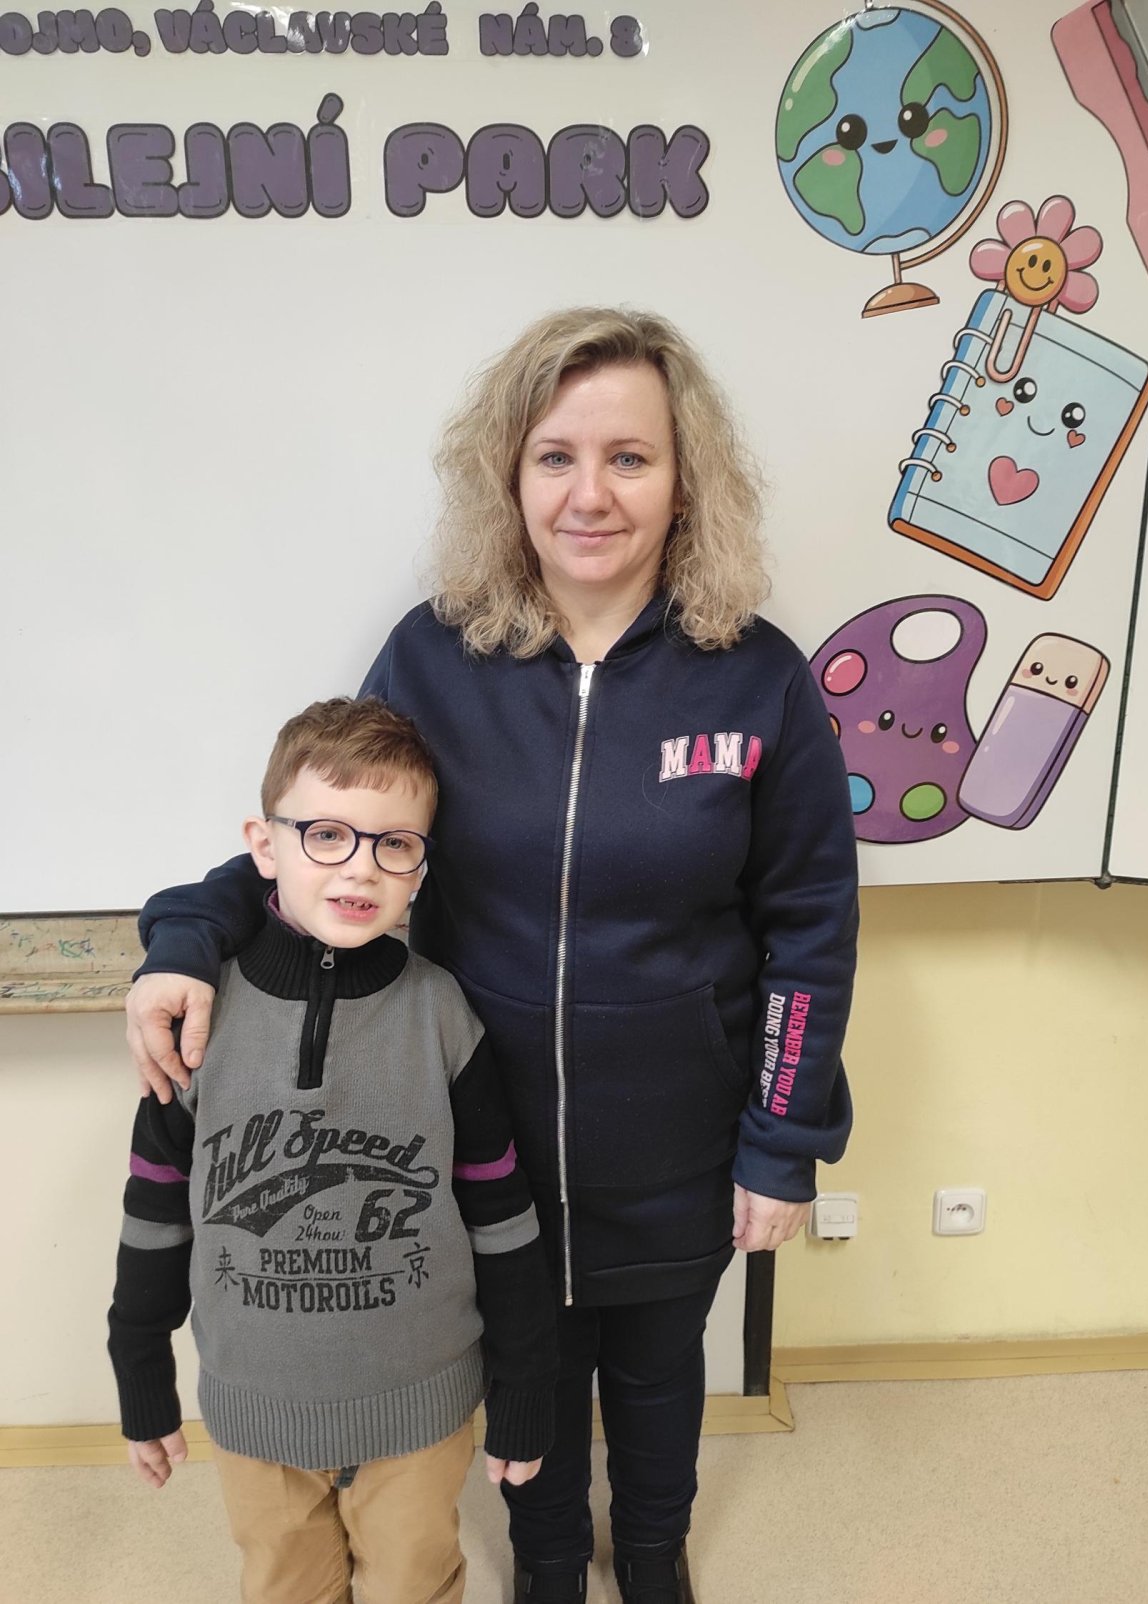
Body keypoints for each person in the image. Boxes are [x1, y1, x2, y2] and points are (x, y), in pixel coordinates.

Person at [124, 308, 859, 1604]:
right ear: (508, 475)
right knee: (531, 1371)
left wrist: (782, 1138)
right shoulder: (434, 655)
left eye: (629, 458)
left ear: (684, 476)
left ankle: (653, 1554)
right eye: (555, 456)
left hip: (676, 1137)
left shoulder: (757, 679)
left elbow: (809, 920)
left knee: (660, 1372)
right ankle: (550, 1565)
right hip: (477, 1133)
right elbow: (325, 841)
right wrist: (184, 938)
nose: (590, 494)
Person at [108, 696, 556, 1604]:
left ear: (422, 866)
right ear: (264, 846)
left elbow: (502, 1219)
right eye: (326, 835)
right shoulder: (194, 1014)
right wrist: (140, 1370)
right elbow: (155, 1209)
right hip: (255, 1413)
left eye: (395, 844)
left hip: (420, 1410)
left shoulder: (443, 1014)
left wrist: (523, 1388)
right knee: (284, 1587)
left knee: (415, 1583)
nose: (360, 866)